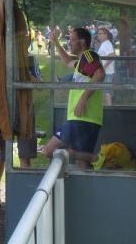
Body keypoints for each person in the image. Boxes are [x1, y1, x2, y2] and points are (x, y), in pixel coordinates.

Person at [41, 26, 105, 169]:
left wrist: (83, 99)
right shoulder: (82, 60)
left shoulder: (89, 55)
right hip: (80, 118)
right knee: (82, 164)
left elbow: (100, 75)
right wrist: (56, 43)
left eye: (72, 40)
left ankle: (96, 158)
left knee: (49, 150)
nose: (69, 42)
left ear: (82, 43)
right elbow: (68, 61)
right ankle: (92, 166)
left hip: (84, 119)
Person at [96, 27, 116, 105]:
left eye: (101, 33)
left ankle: (109, 109)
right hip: (104, 72)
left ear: (106, 35)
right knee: (104, 91)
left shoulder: (107, 43)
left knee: (106, 91)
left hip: (107, 72)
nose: (99, 35)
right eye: (98, 34)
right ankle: (106, 108)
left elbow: (112, 55)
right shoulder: (104, 44)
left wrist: (103, 67)